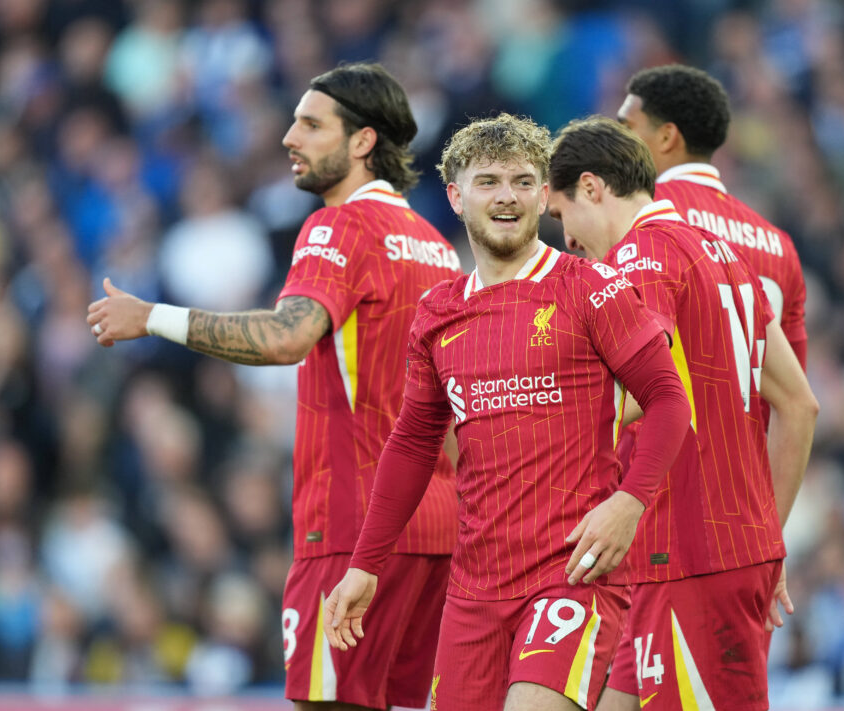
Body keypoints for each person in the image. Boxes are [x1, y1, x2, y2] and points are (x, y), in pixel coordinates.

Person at [87, 62, 461, 711]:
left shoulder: (338, 226)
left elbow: (287, 336)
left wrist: (152, 317)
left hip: (353, 526)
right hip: (436, 531)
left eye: (311, 125)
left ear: (363, 141)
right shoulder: (438, 248)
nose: (290, 137)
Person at [322, 113, 692, 711]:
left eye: (522, 182)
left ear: (544, 195)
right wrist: (366, 564)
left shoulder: (591, 287)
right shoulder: (437, 311)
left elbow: (669, 398)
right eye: (488, 182)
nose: (507, 197)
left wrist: (629, 502)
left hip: (571, 574)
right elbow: (413, 444)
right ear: (456, 196)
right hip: (474, 589)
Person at [546, 117, 818, 711]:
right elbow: (800, 404)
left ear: (591, 187)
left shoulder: (638, 259)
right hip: (712, 548)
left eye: (561, 215)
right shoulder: (725, 254)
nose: (566, 240)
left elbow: (646, 389)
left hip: (688, 551)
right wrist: (766, 537)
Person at [617, 63, 808, 369]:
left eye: (626, 128)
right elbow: (795, 389)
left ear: (667, 137)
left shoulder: (635, 213)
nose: (614, 141)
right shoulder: (781, 246)